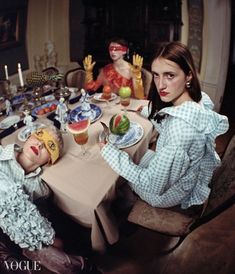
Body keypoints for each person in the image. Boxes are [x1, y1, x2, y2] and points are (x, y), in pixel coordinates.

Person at [99, 41, 229, 210]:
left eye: (170, 75)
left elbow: (153, 185)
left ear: (188, 75)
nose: (160, 85)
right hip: (184, 174)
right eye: (156, 75)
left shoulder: (180, 133)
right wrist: (147, 111)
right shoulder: (197, 98)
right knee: (136, 156)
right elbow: (170, 120)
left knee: (120, 172)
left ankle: (125, 206)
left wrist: (108, 152)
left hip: (167, 194)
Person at [0, 125, 101, 274]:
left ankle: (85, 268)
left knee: (51, 255)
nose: (40, 144)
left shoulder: (41, 188)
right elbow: (9, 198)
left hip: (18, 233)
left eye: (49, 145)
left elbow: (37, 214)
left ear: (49, 161)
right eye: (38, 136)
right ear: (28, 137)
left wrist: (46, 242)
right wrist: (49, 238)